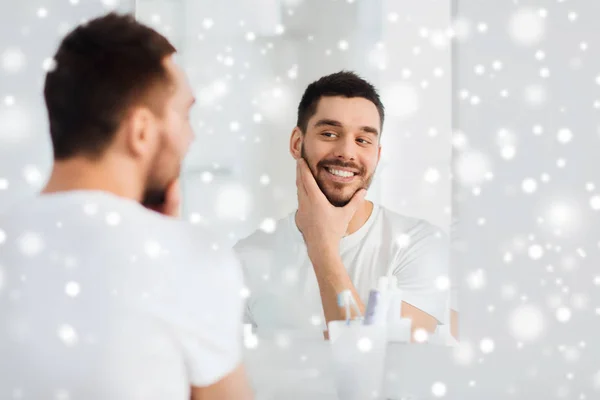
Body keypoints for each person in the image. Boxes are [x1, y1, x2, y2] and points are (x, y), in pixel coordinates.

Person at [0, 13, 253, 400]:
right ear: (141, 132)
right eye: (184, 115)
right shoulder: (193, 259)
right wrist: (175, 247)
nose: (191, 135)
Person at [234, 71, 451, 341]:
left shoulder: (418, 245)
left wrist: (322, 247)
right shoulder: (245, 259)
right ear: (296, 143)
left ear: (377, 155)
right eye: (329, 133)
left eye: (363, 140)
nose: (347, 152)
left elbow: (378, 367)